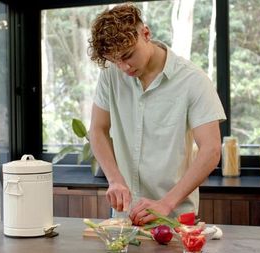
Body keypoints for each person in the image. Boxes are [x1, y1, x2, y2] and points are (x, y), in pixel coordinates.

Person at [88, 2, 226, 226]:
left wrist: (165, 203)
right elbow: (97, 130)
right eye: (115, 60)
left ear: (146, 33)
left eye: (128, 55)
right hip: (125, 217)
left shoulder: (193, 80)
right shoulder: (111, 76)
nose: (124, 67)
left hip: (174, 216)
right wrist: (114, 179)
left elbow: (210, 150)